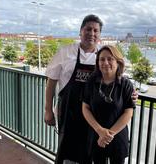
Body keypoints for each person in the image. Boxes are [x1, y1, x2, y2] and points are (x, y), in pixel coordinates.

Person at [44, 14, 137, 164]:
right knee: (68, 153)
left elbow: (118, 79)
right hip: (69, 112)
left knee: (90, 154)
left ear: (100, 35)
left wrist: (132, 95)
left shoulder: (104, 54)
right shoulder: (65, 52)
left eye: (96, 30)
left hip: (94, 117)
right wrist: (48, 110)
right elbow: (51, 82)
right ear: (80, 31)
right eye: (88, 29)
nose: (91, 34)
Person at [82, 45, 135, 164]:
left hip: (117, 138)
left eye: (110, 59)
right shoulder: (92, 81)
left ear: (118, 62)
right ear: (98, 62)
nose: (105, 62)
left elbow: (128, 113)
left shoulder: (126, 85)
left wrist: (108, 135)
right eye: (102, 59)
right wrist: (100, 130)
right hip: (96, 136)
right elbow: (85, 108)